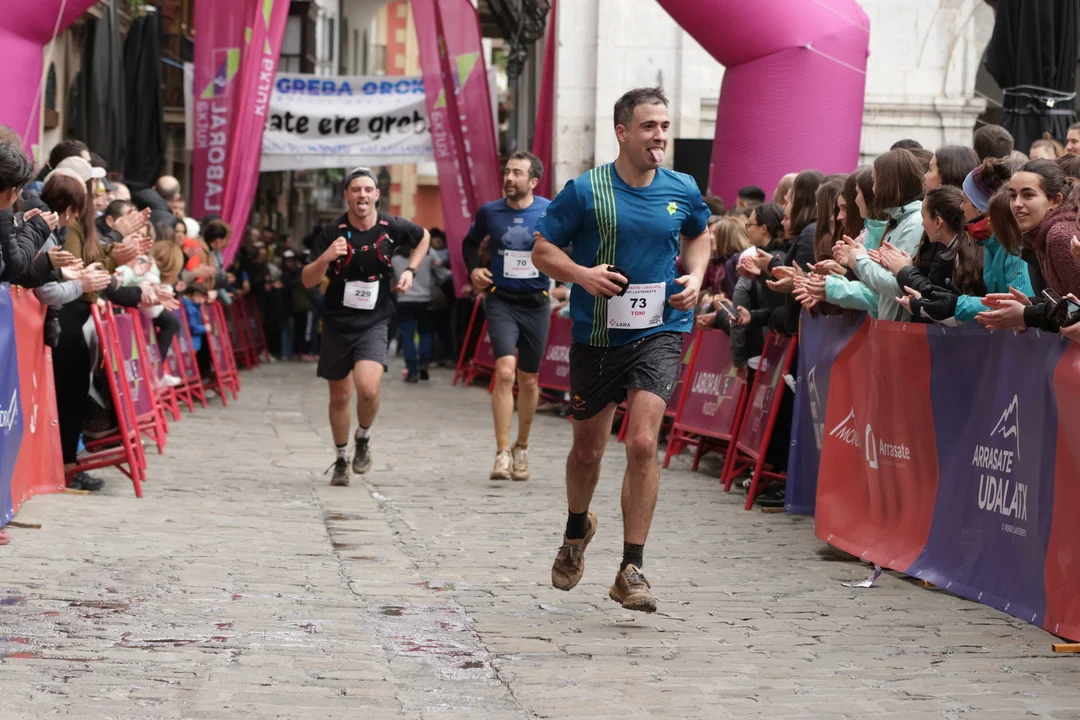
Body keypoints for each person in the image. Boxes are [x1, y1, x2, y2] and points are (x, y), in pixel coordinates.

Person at [532, 87, 711, 613]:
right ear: (622, 132)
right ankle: (576, 528)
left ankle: (631, 568)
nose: (660, 136)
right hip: (598, 335)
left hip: (661, 328)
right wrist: (581, 274)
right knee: (588, 450)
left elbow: (700, 236)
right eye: (649, 126)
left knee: (642, 442)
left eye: (665, 126)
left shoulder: (682, 187)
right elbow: (542, 250)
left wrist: (696, 275)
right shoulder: (586, 190)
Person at [302, 167, 430, 487]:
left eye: (368, 189)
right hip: (337, 321)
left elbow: (423, 237)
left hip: (374, 319)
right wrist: (325, 258)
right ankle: (341, 457)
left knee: (368, 388)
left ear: (376, 195)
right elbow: (307, 280)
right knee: (339, 395)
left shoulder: (391, 226)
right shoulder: (332, 231)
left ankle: (363, 436)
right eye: (356, 189)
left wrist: (411, 271)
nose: (362, 195)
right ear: (347, 195)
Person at [462, 151, 552, 481]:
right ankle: (501, 451)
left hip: (537, 303)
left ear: (533, 181)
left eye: (517, 173)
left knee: (528, 379)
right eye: (507, 172)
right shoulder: (490, 212)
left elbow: (569, 248)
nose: (509, 178)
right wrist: (474, 270)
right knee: (504, 371)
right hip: (501, 300)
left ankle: (521, 446)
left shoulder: (548, 211)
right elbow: (469, 243)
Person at [391, 242, 438, 382]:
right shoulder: (428, 256)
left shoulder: (395, 259)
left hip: (404, 300)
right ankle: (424, 365)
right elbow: (440, 273)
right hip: (425, 300)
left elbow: (391, 281)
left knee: (407, 335)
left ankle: (411, 370)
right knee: (426, 333)